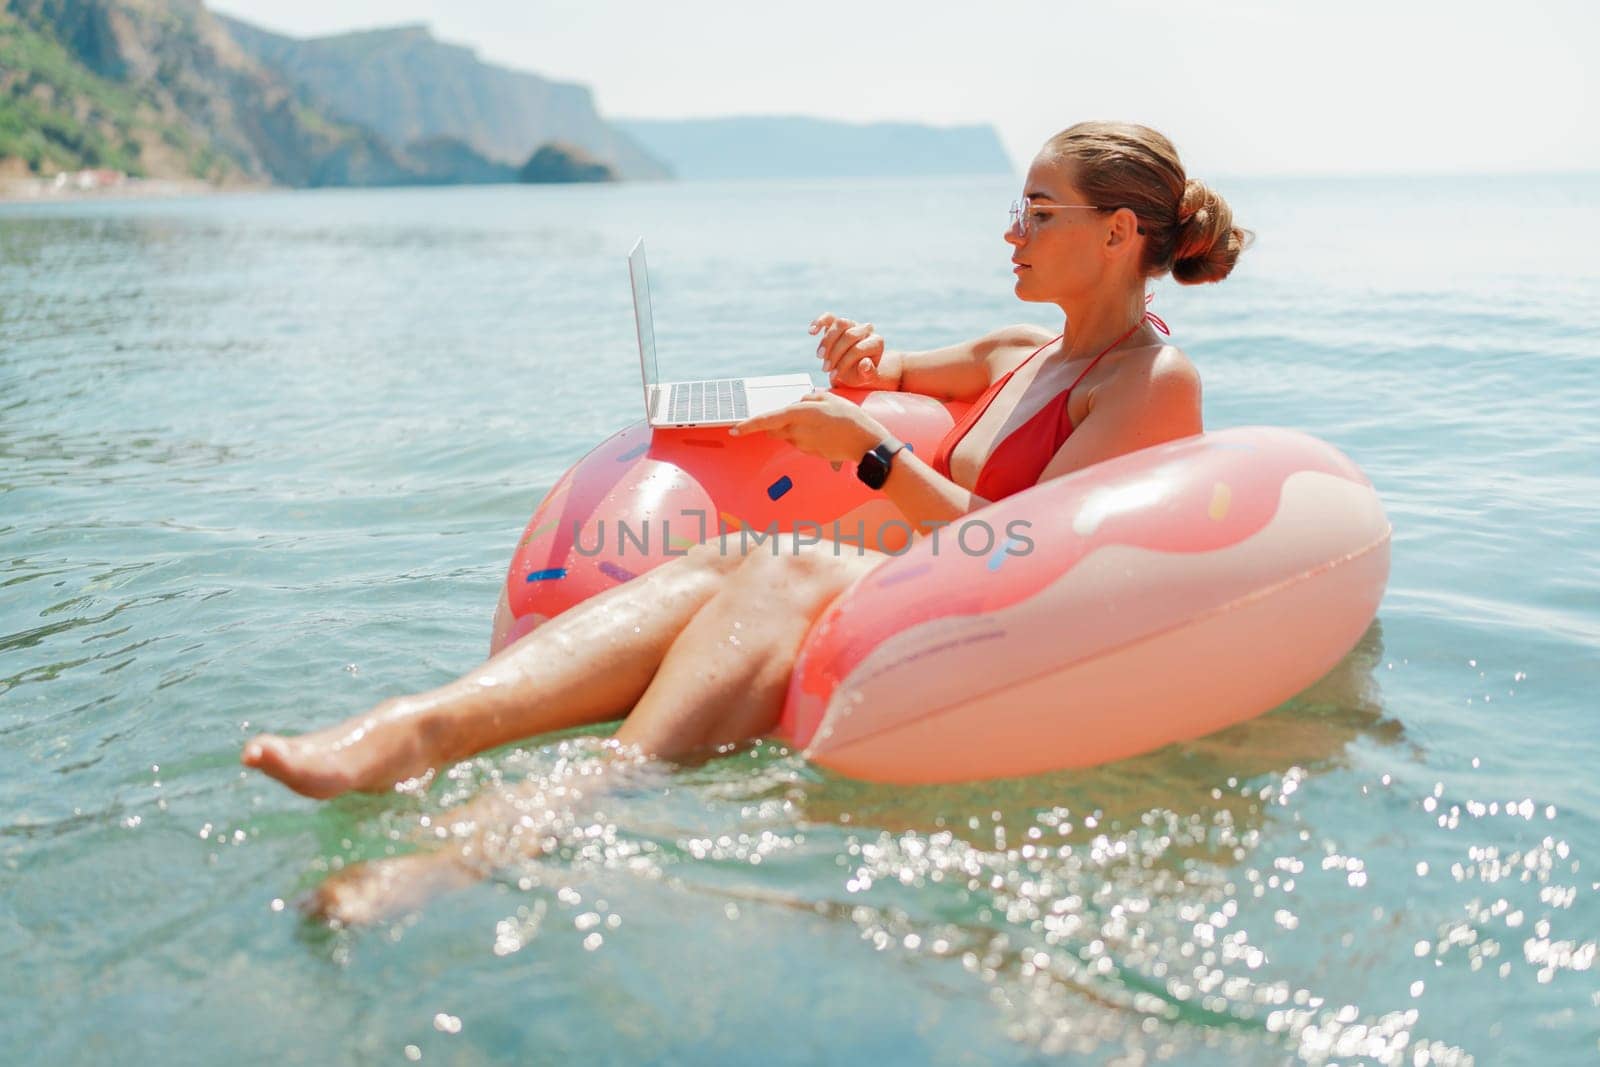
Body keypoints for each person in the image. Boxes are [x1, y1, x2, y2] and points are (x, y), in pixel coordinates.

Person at [241, 121, 1250, 921]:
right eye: (1015, 209)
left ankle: (513, 832)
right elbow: (884, 374)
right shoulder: (1016, 352)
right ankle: (419, 726)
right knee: (736, 550)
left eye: (1037, 212)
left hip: (1016, 629)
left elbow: (1019, 548)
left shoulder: (1149, 380)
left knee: (785, 567)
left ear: (1119, 232)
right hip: (933, 594)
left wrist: (864, 449)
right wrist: (861, 355)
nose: (1010, 233)